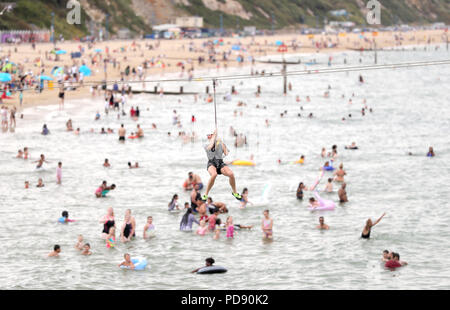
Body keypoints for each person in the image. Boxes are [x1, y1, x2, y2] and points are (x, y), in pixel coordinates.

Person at [201, 130, 242, 201]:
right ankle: (206, 194)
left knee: (231, 174)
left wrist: (221, 142)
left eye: (211, 135)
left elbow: (226, 153)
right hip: (211, 163)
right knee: (214, 174)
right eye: (209, 135)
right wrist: (214, 136)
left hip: (220, 162)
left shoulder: (218, 143)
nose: (209, 136)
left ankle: (234, 192)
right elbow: (210, 146)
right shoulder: (205, 144)